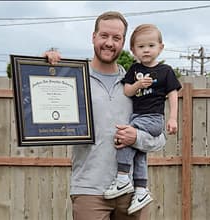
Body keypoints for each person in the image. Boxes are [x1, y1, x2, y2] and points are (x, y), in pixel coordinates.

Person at [44, 13, 166, 220]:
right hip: (89, 189)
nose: (109, 43)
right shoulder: (73, 80)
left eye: (116, 38)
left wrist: (136, 138)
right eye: (104, 35)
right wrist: (47, 66)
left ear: (123, 43)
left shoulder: (136, 85)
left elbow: (160, 139)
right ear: (93, 37)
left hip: (132, 192)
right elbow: (44, 99)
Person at [103, 24, 182, 215]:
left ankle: (122, 178)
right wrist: (138, 83)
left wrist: (172, 119)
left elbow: (172, 95)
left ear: (160, 47)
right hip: (138, 116)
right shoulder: (134, 69)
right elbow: (127, 91)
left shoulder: (165, 71)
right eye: (141, 47)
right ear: (133, 50)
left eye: (151, 45)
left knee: (125, 133)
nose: (146, 50)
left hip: (154, 119)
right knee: (139, 152)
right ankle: (140, 189)